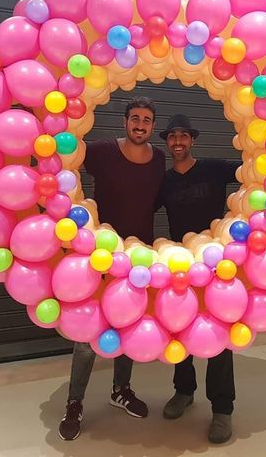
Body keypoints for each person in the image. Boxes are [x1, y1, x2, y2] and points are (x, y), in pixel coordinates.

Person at [58, 96, 165, 441]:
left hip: (139, 254)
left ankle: (121, 389)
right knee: (88, 334)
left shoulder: (159, 158)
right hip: (100, 254)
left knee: (129, 321)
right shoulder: (102, 151)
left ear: (152, 126)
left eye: (146, 120)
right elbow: (66, 153)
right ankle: (74, 402)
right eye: (135, 118)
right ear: (124, 121)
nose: (140, 125)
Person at [155, 113, 240, 444]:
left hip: (217, 263)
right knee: (179, 327)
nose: (178, 142)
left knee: (220, 332)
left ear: (192, 140)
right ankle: (184, 391)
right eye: (172, 137)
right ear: (167, 142)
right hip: (180, 262)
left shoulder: (215, 169)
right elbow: (139, 206)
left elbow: (254, 172)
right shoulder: (164, 181)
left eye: (183, 136)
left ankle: (222, 409)